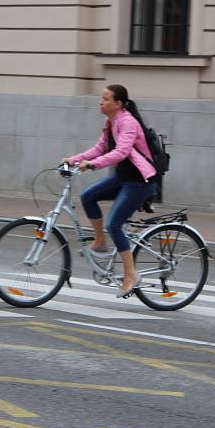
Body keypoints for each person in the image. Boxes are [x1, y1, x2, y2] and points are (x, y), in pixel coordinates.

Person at [62, 84, 157, 298]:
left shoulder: (128, 122)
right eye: (101, 98)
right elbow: (100, 148)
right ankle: (100, 242)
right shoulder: (110, 122)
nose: (101, 102)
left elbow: (122, 152)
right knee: (88, 196)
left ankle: (131, 274)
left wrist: (93, 165)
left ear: (119, 103)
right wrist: (74, 160)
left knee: (114, 224)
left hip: (140, 181)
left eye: (105, 99)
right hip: (124, 178)